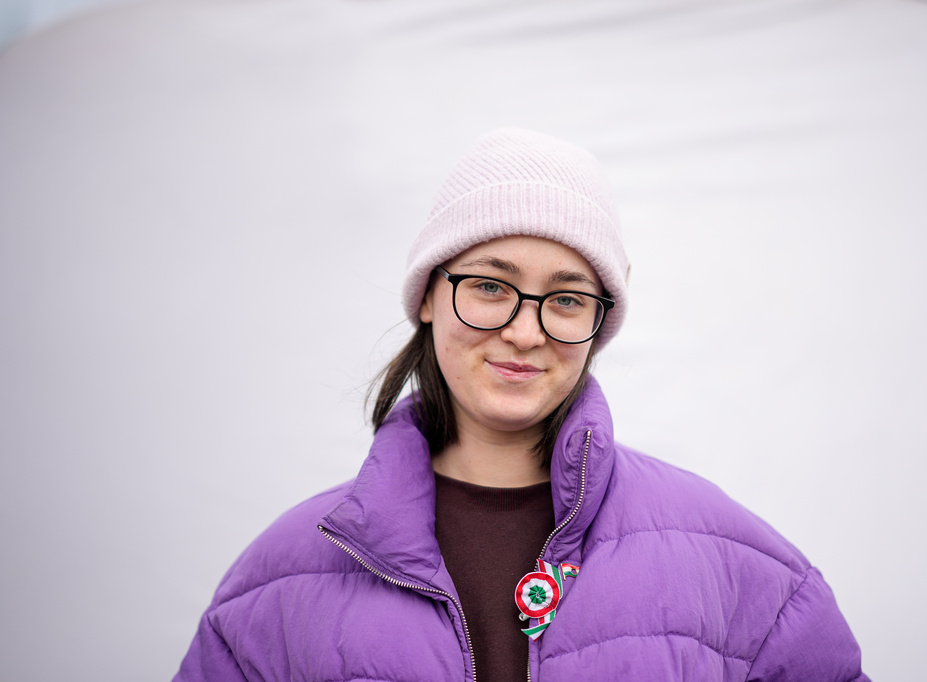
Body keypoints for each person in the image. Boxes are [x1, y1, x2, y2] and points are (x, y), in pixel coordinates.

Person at [174, 128, 869, 681]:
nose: (525, 330)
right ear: (428, 294)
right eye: (490, 286)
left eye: (566, 299)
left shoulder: (742, 566)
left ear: (601, 320)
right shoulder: (280, 578)